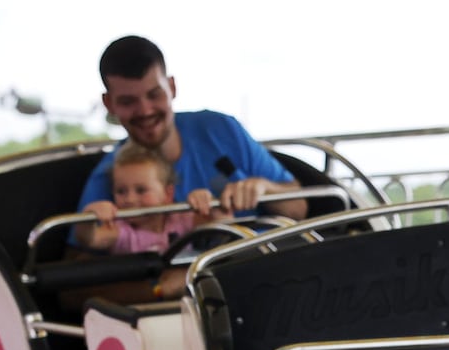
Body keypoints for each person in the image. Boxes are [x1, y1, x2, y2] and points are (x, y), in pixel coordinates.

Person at [77, 35, 306, 224]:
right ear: (109, 104)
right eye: (129, 101)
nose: (145, 110)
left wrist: (264, 187)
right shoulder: (111, 176)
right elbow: (80, 258)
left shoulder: (222, 129)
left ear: (172, 88)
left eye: (154, 95)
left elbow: (299, 208)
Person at [75, 140, 202, 256]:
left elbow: (216, 221)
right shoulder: (121, 229)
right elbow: (89, 239)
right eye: (121, 191)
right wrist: (89, 216)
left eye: (141, 190)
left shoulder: (180, 218)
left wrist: (202, 200)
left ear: (167, 194)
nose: (130, 199)